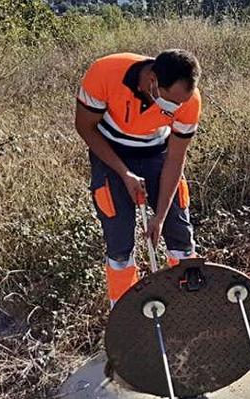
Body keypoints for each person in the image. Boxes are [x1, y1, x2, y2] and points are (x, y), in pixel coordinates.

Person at [75, 50, 202, 307]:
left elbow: (175, 160)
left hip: (158, 154)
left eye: (182, 102)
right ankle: (127, 315)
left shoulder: (189, 100)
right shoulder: (104, 73)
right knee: (120, 241)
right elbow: (84, 127)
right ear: (153, 81)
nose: (177, 108)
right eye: (172, 102)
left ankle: (190, 306)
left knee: (179, 232)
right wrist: (124, 173)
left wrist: (160, 216)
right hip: (110, 153)